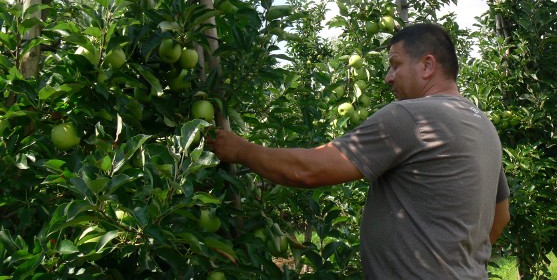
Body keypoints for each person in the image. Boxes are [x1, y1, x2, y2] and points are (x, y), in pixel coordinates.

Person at [209, 22, 510, 279]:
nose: (388, 78)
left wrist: (241, 150)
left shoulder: (410, 116)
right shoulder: (483, 125)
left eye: (395, 65)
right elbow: (500, 218)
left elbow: (309, 170)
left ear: (427, 65)